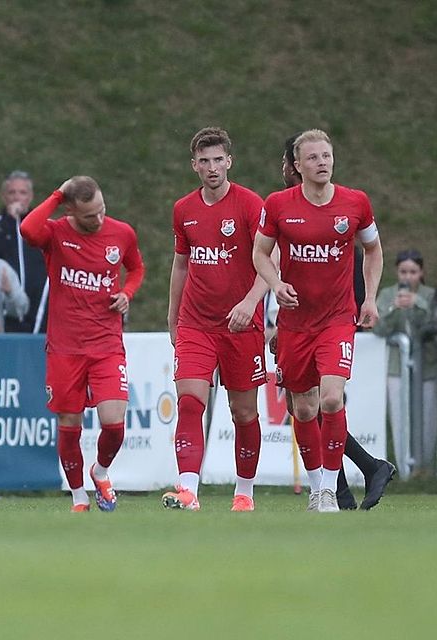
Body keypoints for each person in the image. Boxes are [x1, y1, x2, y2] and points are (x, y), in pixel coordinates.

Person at [253, 129, 384, 513]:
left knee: (330, 398)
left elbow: (373, 250)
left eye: (326, 155)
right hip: (295, 323)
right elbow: (260, 254)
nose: (322, 162)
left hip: (337, 319)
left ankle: (329, 488)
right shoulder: (278, 205)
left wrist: (370, 298)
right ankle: (317, 488)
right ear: (297, 165)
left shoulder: (355, 202)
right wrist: (276, 284)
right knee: (304, 409)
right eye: (312, 157)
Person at [21, 176, 145, 512]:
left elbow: (136, 269)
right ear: (71, 211)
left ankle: (100, 471)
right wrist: (57, 194)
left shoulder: (122, 233)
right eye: (90, 215)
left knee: (114, 424)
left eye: (102, 210)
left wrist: (127, 292)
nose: (99, 218)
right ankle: (78, 497)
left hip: (106, 344)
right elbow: (28, 230)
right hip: (65, 348)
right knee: (69, 423)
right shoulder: (56, 233)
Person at [161, 127, 268, 513]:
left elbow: (269, 260)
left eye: (218, 160)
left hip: (242, 324)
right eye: (204, 161)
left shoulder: (251, 205)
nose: (212, 167)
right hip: (196, 323)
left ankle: (244, 493)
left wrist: (251, 302)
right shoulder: (184, 209)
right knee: (190, 402)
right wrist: (173, 318)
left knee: (244, 412)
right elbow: (181, 265)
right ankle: (188, 491)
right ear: (194, 165)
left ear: (229, 162)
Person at [373, 249, 437, 471]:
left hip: (426, 364)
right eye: (403, 272)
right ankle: (402, 469)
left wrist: (418, 302)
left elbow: (434, 324)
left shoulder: (430, 294)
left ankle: (425, 468)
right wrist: (393, 308)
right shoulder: (387, 294)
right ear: (397, 272)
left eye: (413, 272)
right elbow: (378, 328)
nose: (408, 277)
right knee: (399, 415)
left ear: (421, 273)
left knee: (428, 416)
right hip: (396, 366)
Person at [0, 171, 49, 333]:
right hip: (1, 305)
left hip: (39, 307)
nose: (17, 197)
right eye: (12, 192)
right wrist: (9, 222)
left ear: (30, 196)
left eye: (22, 192)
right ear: (4, 196)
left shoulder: (46, 228)